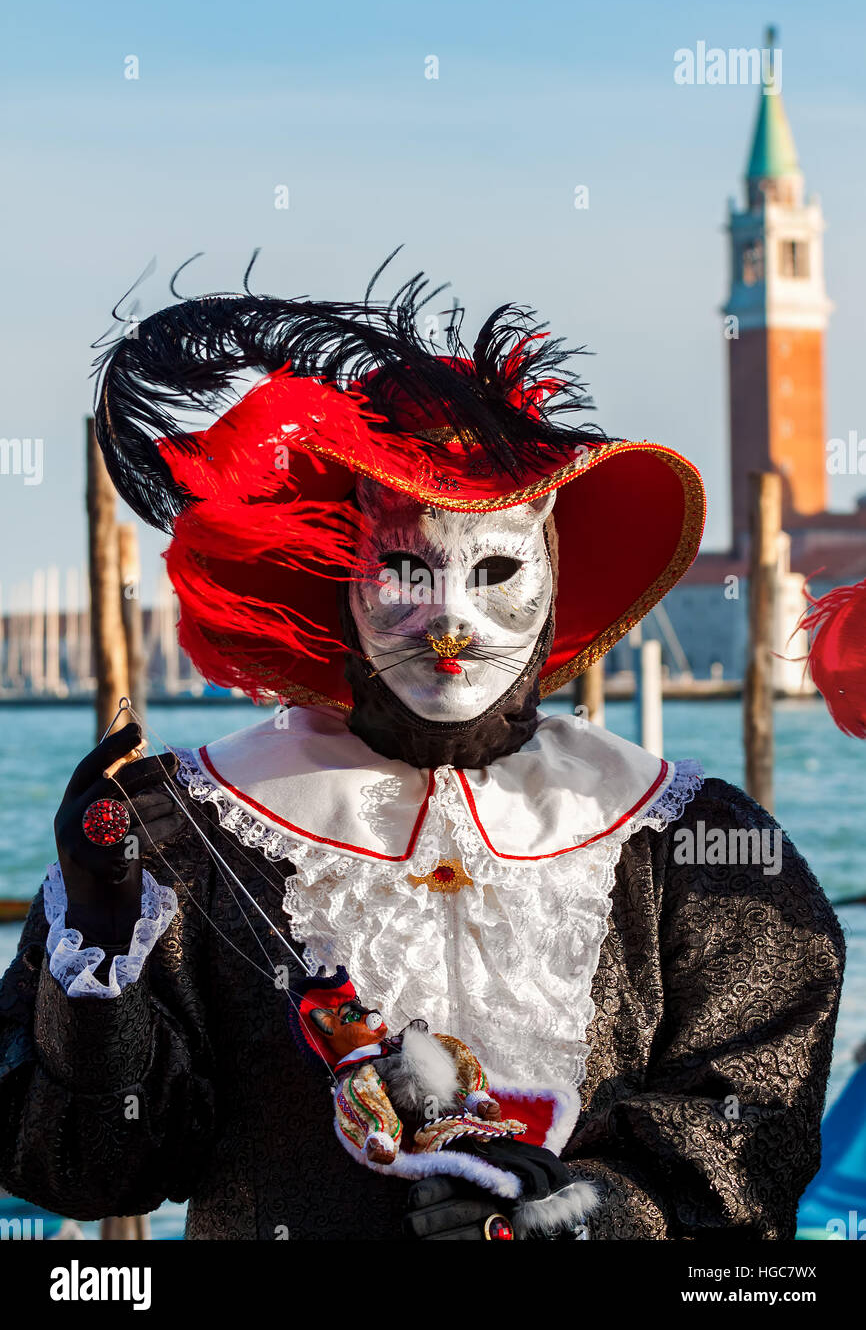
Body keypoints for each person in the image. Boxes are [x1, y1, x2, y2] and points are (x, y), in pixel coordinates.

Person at [0, 267, 844, 1240]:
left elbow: (752, 1147)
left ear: (554, 578)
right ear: (338, 576)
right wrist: (98, 955)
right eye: (405, 568)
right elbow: (92, 1171)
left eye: (494, 570)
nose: (451, 621)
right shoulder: (187, 832)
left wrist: (597, 1214)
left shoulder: (680, 838)